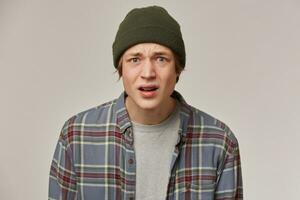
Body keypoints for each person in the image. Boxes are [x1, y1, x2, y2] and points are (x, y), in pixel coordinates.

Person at [48, 5, 243, 200]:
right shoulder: (76, 137)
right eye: (135, 59)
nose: (148, 73)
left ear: (177, 68)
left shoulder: (219, 142)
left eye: (161, 59)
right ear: (121, 68)